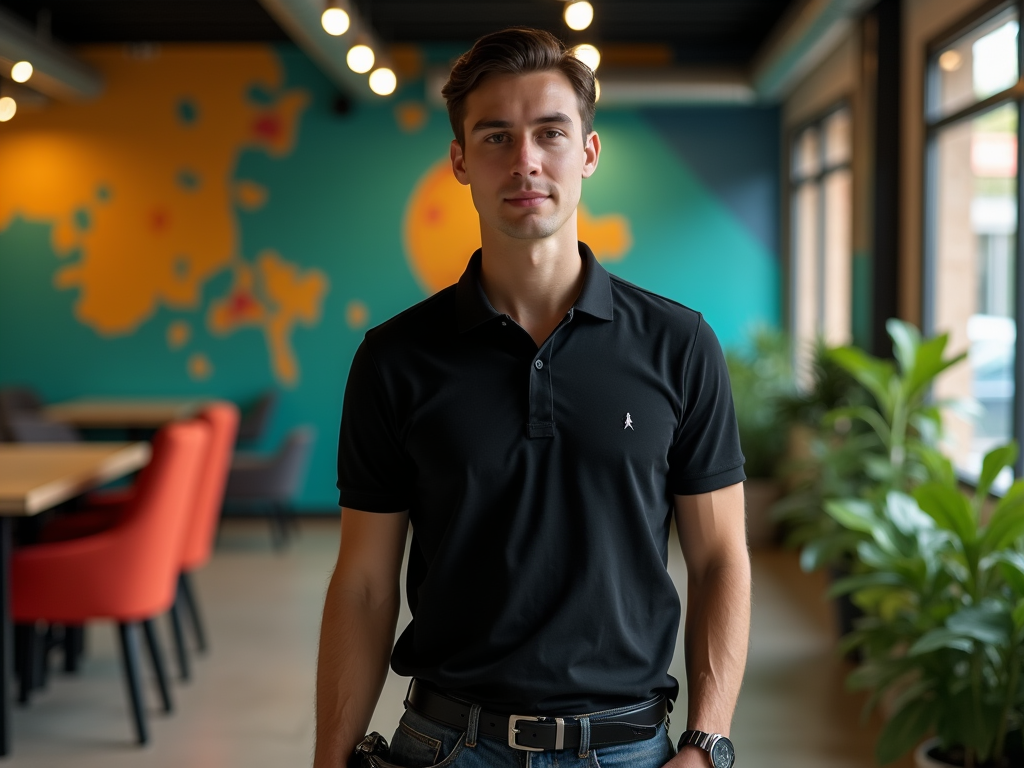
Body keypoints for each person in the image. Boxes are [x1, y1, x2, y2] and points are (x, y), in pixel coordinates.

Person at [315, 27, 751, 768]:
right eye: (495, 137)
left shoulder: (679, 346)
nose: (525, 162)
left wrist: (705, 743)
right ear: (459, 161)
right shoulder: (395, 360)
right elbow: (362, 583)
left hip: (631, 748)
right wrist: (328, 760)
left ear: (587, 152)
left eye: (550, 133)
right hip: (449, 745)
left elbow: (720, 561)